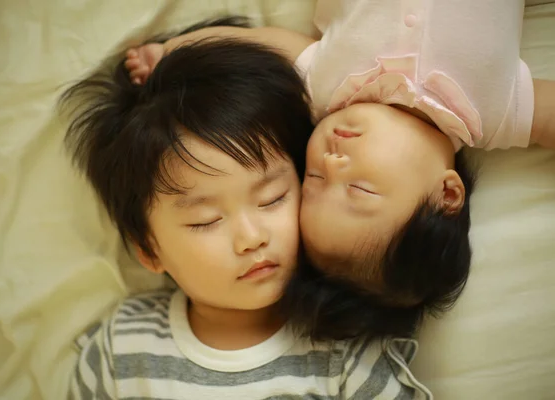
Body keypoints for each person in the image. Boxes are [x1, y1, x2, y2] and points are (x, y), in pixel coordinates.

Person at [126, 1, 555, 342]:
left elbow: (256, 44)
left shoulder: (324, 87)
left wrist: (173, 51)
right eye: (360, 189)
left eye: (312, 179)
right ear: (447, 194)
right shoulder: (497, 111)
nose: (330, 162)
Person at [61, 17, 432, 400]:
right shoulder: (119, 350)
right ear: (149, 249)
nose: (251, 238)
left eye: (272, 199)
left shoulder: (346, 353)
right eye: (205, 221)